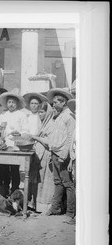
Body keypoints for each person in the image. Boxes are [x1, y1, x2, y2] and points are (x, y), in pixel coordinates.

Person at [45, 88, 75, 221]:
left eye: (56, 102)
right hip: (55, 153)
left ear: (63, 103)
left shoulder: (69, 117)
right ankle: (55, 207)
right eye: (53, 102)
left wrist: (64, 154)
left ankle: (70, 211)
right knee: (58, 182)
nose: (53, 104)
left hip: (63, 154)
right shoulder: (58, 116)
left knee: (67, 183)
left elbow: (70, 138)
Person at [0, 90, 29, 194]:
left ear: (17, 103)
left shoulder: (21, 115)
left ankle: (15, 190)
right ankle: (5, 189)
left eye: (13, 102)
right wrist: (0, 131)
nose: (11, 104)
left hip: (15, 145)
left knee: (14, 169)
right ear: (6, 103)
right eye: (9, 102)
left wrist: (19, 134)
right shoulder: (3, 115)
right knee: (4, 169)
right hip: (4, 145)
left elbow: (26, 130)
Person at [30, 101, 55, 213]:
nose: (39, 114)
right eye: (39, 112)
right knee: (38, 180)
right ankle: (36, 204)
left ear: (48, 112)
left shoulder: (51, 124)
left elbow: (49, 142)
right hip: (39, 154)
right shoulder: (42, 123)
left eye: (42, 112)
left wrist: (36, 138)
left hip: (46, 155)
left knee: (45, 181)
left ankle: (45, 206)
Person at [65, 99, 76, 225]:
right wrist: (70, 162)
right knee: (76, 186)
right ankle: (75, 216)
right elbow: (73, 146)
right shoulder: (76, 128)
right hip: (75, 161)